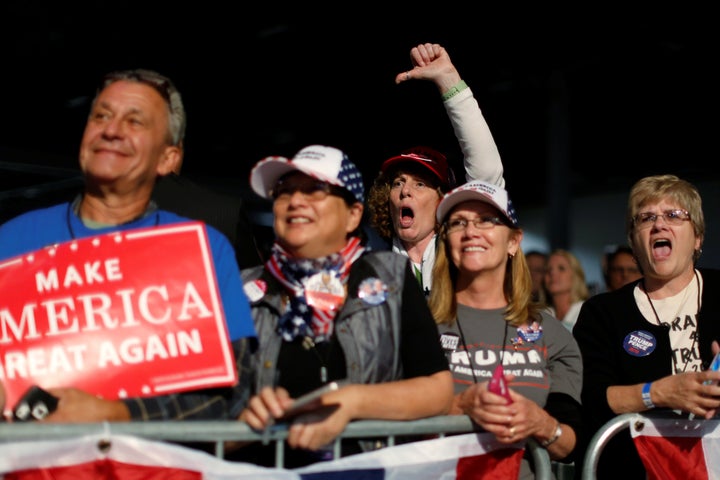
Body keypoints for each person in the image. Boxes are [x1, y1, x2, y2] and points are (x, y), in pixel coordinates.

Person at [0, 69, 256, 422]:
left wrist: (115, 414)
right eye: (101, 116)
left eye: (134, 121)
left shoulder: (205, 250)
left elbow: (233, 395)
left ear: (168, 159)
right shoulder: (10, 241)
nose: (112, 130)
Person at [232, 144, 453, 467]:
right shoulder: (241, 289)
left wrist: (351, 402)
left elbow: (438, 391)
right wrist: (245, 415)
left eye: (315, 190)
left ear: (353, 215)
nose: (295, 201)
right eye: (284, 191)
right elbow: (207, 403)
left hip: (366, 470)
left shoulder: (391, 279)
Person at [428, 180, 583, 479]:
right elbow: (388, 418)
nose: (471, 231)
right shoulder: (419, 323)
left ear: (513, 241)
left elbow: (569, 444)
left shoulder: (550, 332)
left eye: (487, 220)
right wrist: (459, 406)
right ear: (447, 241)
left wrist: (540, 423)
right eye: (459, 222)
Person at [573, 174, 720, 478]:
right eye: (646, 217)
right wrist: (658, 393)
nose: (659, 225)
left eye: (674, 215)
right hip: (639, 469)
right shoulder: (603, 313)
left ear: (697, 238)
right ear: (634, 242)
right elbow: (591, 398)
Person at [367, 42, 505, 297]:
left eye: (420, 184)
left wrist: (449, 81)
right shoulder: (369, 268)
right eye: (397, 182)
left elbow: (487, 174)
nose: (405, 191)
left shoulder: (462, 257)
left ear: (443, 200)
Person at [541, 249, 589, 331]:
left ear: (575, 276)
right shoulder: (541, 315)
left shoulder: (587, 313)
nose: (552, 273)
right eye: (548, 269)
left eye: (561, 268)